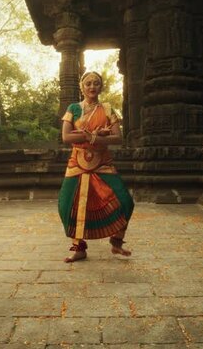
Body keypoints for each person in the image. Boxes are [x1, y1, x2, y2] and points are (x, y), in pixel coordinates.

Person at [58, 71, 135, 263]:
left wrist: (89, 135)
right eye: (88, 83)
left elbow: (117, 137)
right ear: (81, 87)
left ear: (101, 87)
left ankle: (116, 241)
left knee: (126, 201)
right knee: (67, 205)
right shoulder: (73, 109)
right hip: (77, 162)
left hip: (102, 162)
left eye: (96, 84)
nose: (92, 87)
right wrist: (92, 136)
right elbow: (66, 137)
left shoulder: (108, 109)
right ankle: (79, 248)